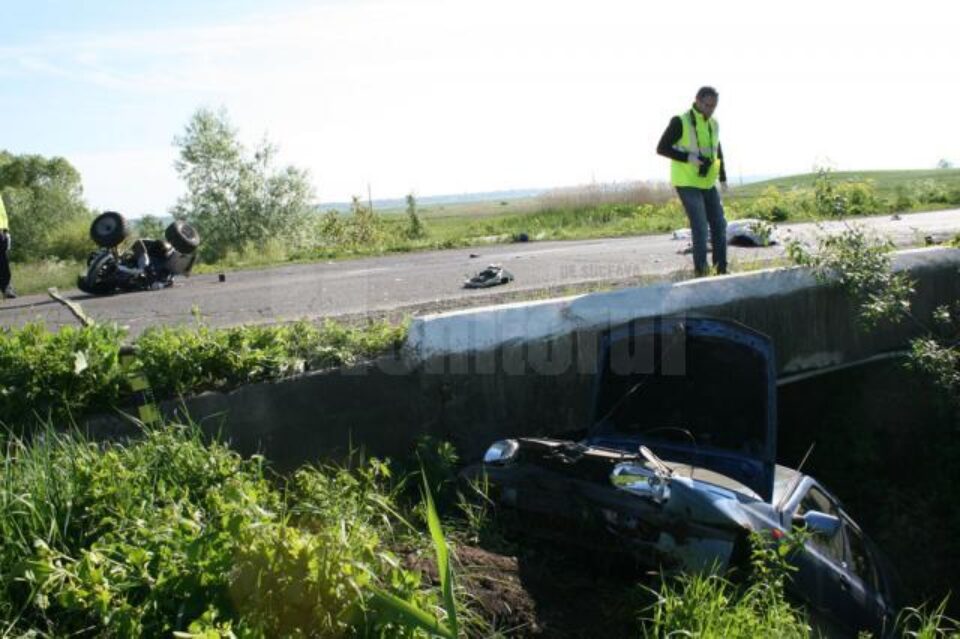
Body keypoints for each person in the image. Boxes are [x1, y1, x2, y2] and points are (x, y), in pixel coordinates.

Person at [656, 86, 729, 276]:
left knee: (720, 225)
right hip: (686, 181)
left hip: (707, 182)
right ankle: (702, 272)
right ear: (697, 100)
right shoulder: (681, 121)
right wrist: (688, 158)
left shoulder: (713, 123)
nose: (710, 109)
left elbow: (717, 150)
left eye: (714, 106)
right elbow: (661, 148)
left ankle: (721, 270)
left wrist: (723, 178)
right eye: (707, 105)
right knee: (700, 226)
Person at [0, 193, 15, 299]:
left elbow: (2, 214)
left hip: (1, 233)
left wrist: (6, 231)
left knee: (3, 262)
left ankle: (6, 288)